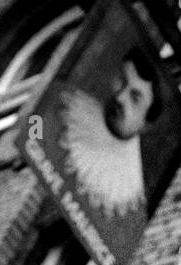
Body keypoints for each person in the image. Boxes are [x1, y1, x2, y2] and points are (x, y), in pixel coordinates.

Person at [57, 47, 161, 221]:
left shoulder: (129, 198)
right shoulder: (66, 106)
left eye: (135, 98)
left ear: (145, 126)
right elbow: (33, 126)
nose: (120, 98)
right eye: (122, 81)